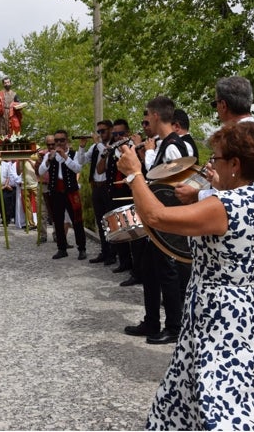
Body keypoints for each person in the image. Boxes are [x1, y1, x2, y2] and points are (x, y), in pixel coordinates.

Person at [117, 122, 254, 430]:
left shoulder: (226, 206)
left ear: (235, 164)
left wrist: (133, 174)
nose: (212, 165)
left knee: (223, 397)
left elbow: (155, 217)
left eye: (217, 159)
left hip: (220, 315)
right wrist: (201, 197)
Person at [124, 97, 190, 344]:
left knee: (167, 272)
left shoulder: (172, 146)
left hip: (167, 220)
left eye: (146, 115)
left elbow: (176, 187)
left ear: (154, 115)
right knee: (150, 270)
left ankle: (174, 326)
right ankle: (152, 320)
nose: (145, 121)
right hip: (158, 219)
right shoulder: (164, 144)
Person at [176, 75, 254, 204]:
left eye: (215, 104)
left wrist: (197, 195)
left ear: (223, 105)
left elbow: (237, 195)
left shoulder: (229, 141)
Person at [96, 119, 147, 285]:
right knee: (120, 231)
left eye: (121, 134)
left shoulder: (133, 148)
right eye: (115, 134)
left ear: (127, 133)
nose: (118, 137)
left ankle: (138, 271)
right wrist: (105, 154)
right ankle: (124, 263)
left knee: (135, 235)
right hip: (114, 195)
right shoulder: (112, 149)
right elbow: (100, 170)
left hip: (130, 196)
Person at [37, 129, 88, 260]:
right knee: (58, 221)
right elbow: (41, 171)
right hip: (56, 192)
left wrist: (65, 157)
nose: (58, 143)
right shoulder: (50, 155)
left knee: (77, 220)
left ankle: (81, 248)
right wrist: (48, 160)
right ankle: (61, 248)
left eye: (61, 140)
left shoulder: (73, 154)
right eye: (56, 141)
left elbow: (77, 168)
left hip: (71, 191)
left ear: (67, 141)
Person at [88, 120, 115, 265]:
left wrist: (98, 143)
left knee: (110, 221)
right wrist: (80, 147)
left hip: (107, 187)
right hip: (96, 187)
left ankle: (113, 253)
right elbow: (81, 161)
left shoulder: (112, 145)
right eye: (98, 132)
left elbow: (106, 153)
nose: (100, 134)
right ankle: (105, 251)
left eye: (102, 131)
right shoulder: (95, 147)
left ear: (110, 130)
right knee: (100, 222)